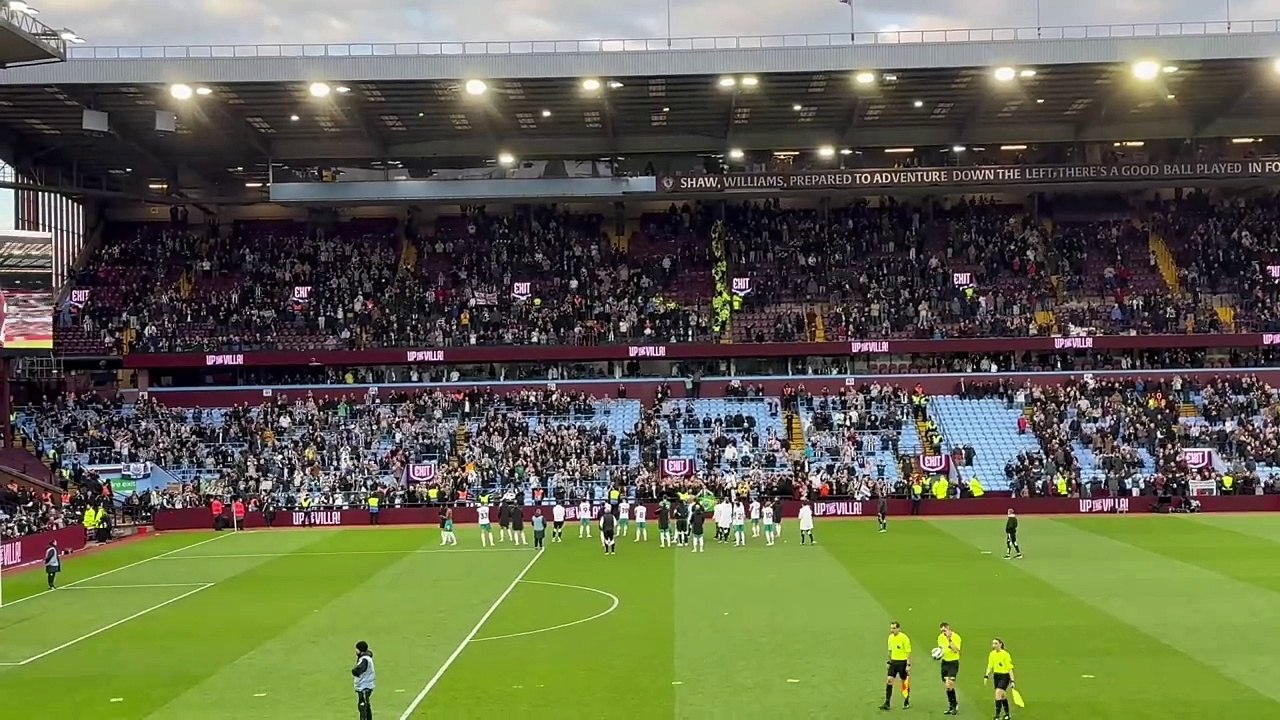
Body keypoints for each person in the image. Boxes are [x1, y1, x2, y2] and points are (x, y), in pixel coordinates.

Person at [881, 621, 912, 711]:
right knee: (889, 680)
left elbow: (908, 652)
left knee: (904, 682)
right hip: (893, 663)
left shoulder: (904, 638)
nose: (892, 630)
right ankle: (887, 703)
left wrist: (908, 664)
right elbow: (890, 650)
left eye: (894, 628)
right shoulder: (890, 637)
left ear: (898, 628)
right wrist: (889, 662)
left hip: (902, 662)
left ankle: (906, 701)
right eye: (891, 628)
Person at [984, 638, 1016, 720]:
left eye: (996, 643)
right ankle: (1007, 714)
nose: (994, 645)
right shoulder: (992, 654)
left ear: (1000, 644)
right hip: (996, 676)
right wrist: (986, 675)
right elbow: (990, 665)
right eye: (993, 644)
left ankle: (997, 715)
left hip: (1005, 676)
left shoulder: (1005, 654)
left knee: (998, 693)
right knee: (1003, 696)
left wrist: (1012, 680)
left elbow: (1009, 668)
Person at [937, 623, 963, 715]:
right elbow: (941, 649)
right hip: (944, 663)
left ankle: (954, 705)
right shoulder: (940, 637)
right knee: (948, 687)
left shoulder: (956, 637)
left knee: (949, 684)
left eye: (944, 630)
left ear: (948, 629)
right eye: (942, 631)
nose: (943, 633)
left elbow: (956, 650)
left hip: (953, 663)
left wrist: (949, 639)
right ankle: (951, 706)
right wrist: (938, 655)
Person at [351, 640, 376, 720]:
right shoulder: (365, 658)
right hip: (365, 685)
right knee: (365, 705)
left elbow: (358, 670)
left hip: (365, 686)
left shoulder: (364, 659)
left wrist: (354, 671)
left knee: (363, 706)